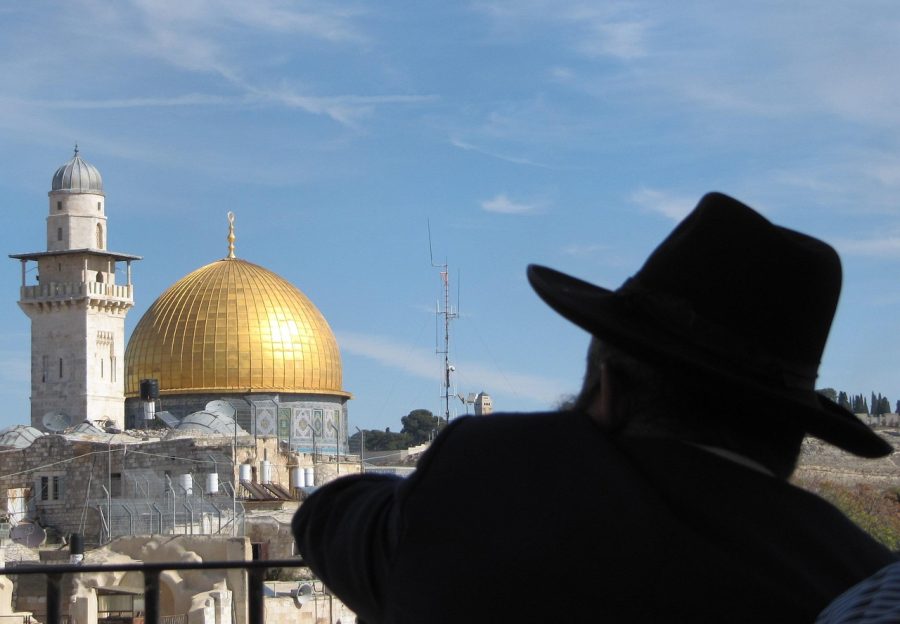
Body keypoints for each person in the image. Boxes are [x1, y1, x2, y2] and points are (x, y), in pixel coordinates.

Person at [293, 192, 895, 623]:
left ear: (608, 389)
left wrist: (573, 436)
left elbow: (329, 516)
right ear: (792, 434)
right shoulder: (856, 573)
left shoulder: (495, 479)